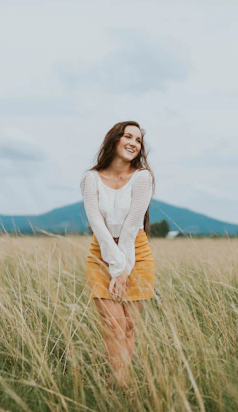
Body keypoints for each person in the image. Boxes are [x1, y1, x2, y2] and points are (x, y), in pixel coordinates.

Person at [80, 121, 155, 389]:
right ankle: (120, 387)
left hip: (136, 251)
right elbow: (97, 225)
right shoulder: (91, 178)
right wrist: (114, 267)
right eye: (128, 136)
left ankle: (119, 383)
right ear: (114, 140)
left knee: (130, 327)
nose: (134, 143)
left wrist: (123, 270)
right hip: (101, 253)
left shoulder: (143, 177)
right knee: (114, 325)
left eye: (138, 140)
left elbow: (132, 226)